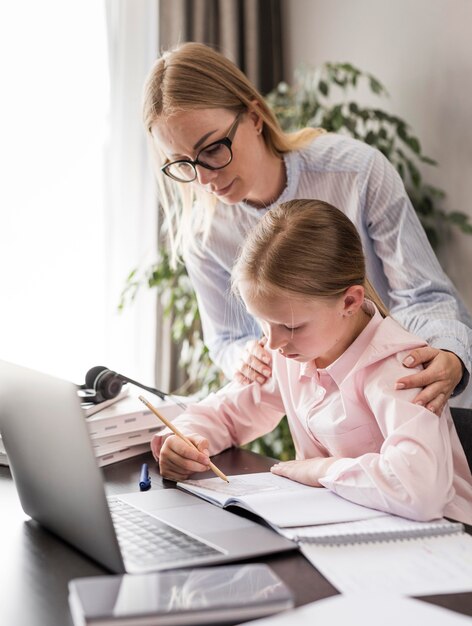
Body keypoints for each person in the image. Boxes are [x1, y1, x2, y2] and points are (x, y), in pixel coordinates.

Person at [143, 41, 472, 413]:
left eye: (213, 148)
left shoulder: (356, 173)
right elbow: (227, 339)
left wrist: (448, 353)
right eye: (182, 164)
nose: (204, 179)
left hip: (418, 395)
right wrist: (243, 358)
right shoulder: (205, 236)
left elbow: (423, 295)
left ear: (253, 116)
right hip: (329, 420)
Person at [151, 199, 472, 524]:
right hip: (346, 528)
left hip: (441, 540)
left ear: (349, 301)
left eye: (290, 326)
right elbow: (226, 414)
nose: (272, 342)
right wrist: (185, 439)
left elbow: (420, 492)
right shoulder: (291, 353)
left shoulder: (399, 368)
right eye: (263, 323)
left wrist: (320, 470)